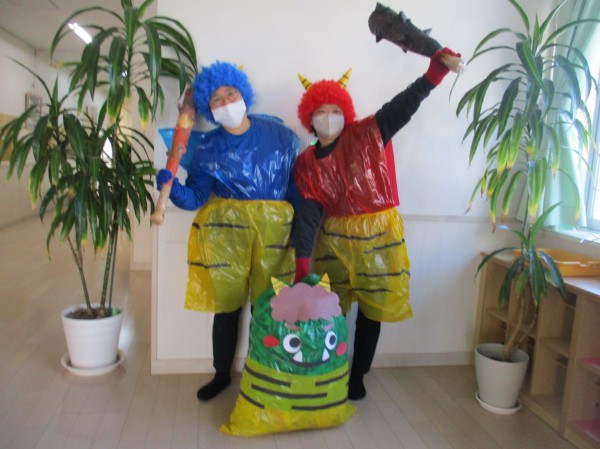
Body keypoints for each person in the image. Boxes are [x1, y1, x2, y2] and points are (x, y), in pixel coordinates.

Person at [293, 48, 459, 400]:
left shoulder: (368, 133)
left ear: (346, 113)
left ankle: (358, 375)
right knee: (331, 308)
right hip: (334, 241)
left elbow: (402, 107)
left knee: (372, 310)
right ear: (309, 118)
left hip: (379, 236)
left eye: (335, 110)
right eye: (320, 111)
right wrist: (302, 260)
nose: (328, 117)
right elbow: (308, 214)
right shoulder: (306, 163)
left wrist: (432, 76)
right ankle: (330, 368)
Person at [156, 61, 299, 401]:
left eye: (230, 94)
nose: (225, 102)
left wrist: (298, 235)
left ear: (243, 94)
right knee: (227, 309)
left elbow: (295, 188)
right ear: (209, 108)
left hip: (274, 235)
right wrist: (172, 188)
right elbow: (197, 197)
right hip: (226, 235)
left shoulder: (281, 137)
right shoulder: (207, 148)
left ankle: (266, 371)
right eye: (216, 99)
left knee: (270, 307)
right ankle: (222, 374)